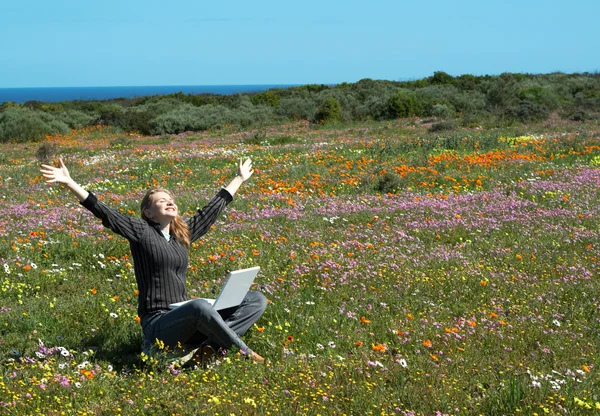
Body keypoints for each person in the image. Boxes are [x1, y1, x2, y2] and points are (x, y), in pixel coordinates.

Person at [40, 157, 266, 365]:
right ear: (148, 213)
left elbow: (211, 211)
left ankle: (210, 349)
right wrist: (69, 182)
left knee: (256, 299)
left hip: (186, 322)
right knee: (199, 306)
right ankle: (244, 353)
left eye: (171, 200)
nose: (169, 202)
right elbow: (105, 212)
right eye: (161, 201)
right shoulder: (141, 231)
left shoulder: (182, 234)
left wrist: (239, 178)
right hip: (159, 324)